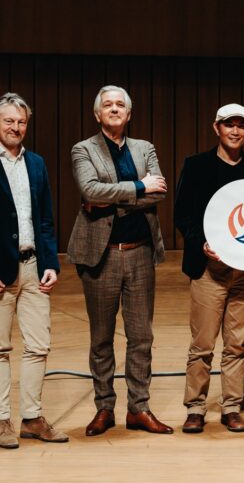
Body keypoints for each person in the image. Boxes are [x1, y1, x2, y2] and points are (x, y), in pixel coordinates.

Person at [0, 92, 68, 449]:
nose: (15, 127)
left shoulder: (36, 163)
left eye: (21, 122)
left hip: (34, 266)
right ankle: (2, 421)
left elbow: (46, 221)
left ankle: (33, 418)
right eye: (8, 121)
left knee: (39, 346)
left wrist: (51, 263)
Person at [68, 85, 171, 436]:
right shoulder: (83, 149)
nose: (114, 109)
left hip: (140, 251)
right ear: (98, 114)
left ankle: (139, 409)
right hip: (102, 255)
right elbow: (89, 191)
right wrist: (139, 187)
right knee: (101, 337)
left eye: (120, 105)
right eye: (107, 105)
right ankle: (104, 408)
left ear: (129, 114)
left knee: (141, 336)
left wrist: (116, 197)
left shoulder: (145, 148)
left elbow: (159, 193)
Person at [173, 103, 244, 434]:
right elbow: (182, 214)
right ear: (217, 128)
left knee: (238, 345)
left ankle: (231, 407)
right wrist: (201, 244)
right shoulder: (196, 165)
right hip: (209, 271)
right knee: (202, 345)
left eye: (242, 125)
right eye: (229, 125)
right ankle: (195, 408)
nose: (235, 131)